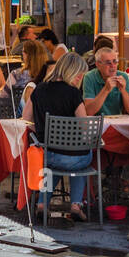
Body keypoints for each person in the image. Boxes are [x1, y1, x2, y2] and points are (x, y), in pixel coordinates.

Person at [23, 53, 96, 222]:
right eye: (80, 75)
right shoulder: (73, 94)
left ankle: (42, 204)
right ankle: (76, 205)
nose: (80, 79)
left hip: (47, 154)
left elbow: (26, 118)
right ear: (73, 72)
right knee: (82, 158)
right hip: (74, 157)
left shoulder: (39, 89)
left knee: (53, 165)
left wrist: (43, 129)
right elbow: (85, 127)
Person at [82, 45, 129, 116]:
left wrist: (123, 91)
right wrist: (106, 89)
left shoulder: (123, 76)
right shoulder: (89, 77)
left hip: (117, 123)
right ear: (98, 65)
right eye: (108, 63)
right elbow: (88, 112)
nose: (113, 65)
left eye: (115, 61)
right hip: (97, 124)